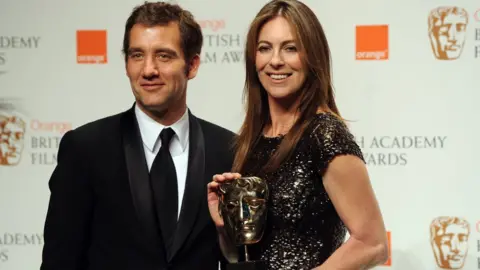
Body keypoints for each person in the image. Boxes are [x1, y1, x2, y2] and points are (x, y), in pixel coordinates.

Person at [40, 2, 234, 269]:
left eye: (164, 56)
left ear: (192, 65)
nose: (148, 70)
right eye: (137, 55)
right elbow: (59, 262)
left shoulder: (228, 150)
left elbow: (238, 260)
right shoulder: (86, 149)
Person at [207, 0, 388, 269]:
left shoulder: (325, 134)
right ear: (253, 59)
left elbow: (373, 244)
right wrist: (225, 225)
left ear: (312, 56)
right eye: (264, 48)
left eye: (290, 49)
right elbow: (238, 257)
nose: (276, 61)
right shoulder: (251, 141)